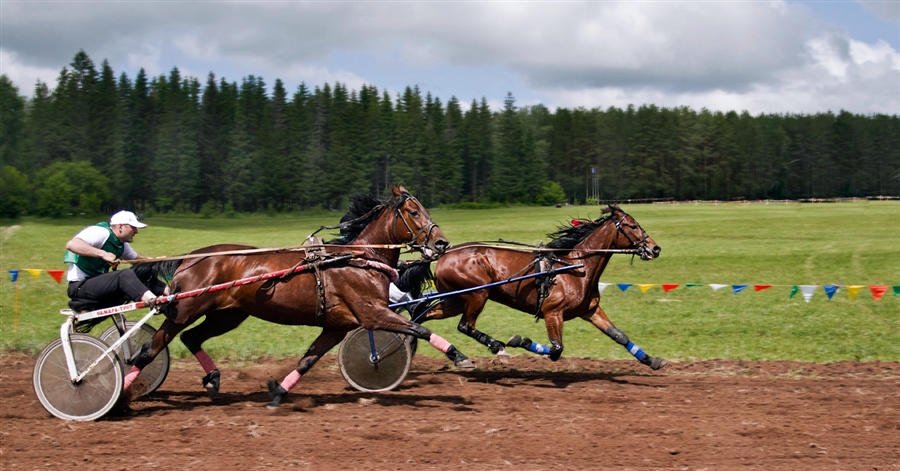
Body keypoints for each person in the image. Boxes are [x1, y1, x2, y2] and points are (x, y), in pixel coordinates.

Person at [64, 210, 165, 315]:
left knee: (142, 272)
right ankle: (154, 301)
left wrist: (156, 261)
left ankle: (169, 294)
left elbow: (138, 261)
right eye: (133, 227)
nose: (136, 232)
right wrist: (103, 254)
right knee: (124, 274)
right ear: (120, 227)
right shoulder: (101, 232)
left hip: (94, 286)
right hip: (79, 287)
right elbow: (72, 244)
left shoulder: (122, 245)